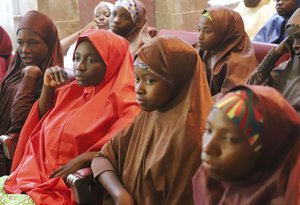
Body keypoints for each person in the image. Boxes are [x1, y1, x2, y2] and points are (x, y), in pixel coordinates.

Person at [1, 30, 141, 205]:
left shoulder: (126, 106)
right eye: (76, 58)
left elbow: (123, 151)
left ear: (112, 63)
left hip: (62, 188)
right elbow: (39, 123)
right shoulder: (72, 91)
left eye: (91, 60)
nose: (80, 67)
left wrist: (86, 157)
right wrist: (47, 87)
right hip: (29, 175)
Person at [91, 36, 213, 205]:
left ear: (177, 81)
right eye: (137, 79)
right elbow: (103, 157)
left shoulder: (193, 139)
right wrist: (120, 194)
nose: (139, 90)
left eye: (150, 80)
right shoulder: (149, 115)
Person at [193, 85, 300, 205]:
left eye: (229, 139)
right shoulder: (209, 180)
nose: (208, 147)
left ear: (265, 150)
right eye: (208, 130)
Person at [0, 10, 63, 175]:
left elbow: (19, 122)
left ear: (49, 44)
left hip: (24, 158)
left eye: (33, 43)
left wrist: (31, 75)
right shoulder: (14, 71)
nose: (24, 50)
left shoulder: (55, 80)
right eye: (20, 43)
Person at [197, 7, 258, 101]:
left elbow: (231, 98)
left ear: (224, 32)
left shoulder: (239, 61)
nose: (200, 36)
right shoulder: (205, 50)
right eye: (199, 29)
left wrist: (199, 103)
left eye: (207, 31)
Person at [248, 8, 300, 114]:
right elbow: (252, 87)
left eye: (299, 37)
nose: (295, 45)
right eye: (292, 40)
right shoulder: (287, 69)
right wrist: (275, 53)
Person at [62, 1, 114, 70]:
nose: (101, 18)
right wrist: (83, 30)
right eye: (97, 15)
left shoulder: (114, 37)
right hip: (64, 67)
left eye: (106, 15)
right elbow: (59, 47)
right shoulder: (86, 33)